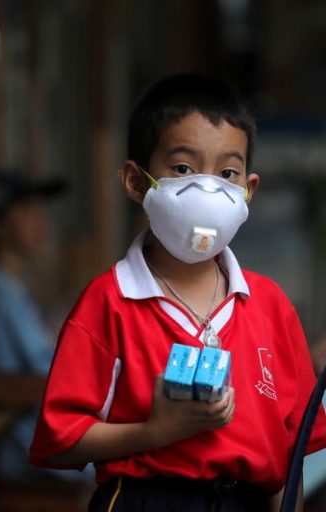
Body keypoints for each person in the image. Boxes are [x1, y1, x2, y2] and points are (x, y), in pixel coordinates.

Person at [28, 73, 326, 511]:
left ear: (248, 190)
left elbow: (290, 454)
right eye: (183, 168)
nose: (207, 188)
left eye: (227, 173)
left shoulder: (270, 306)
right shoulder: (108, 302)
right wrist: (154, 433)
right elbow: (60, 441)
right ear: (136, 181)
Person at [0, 170, 94, 486]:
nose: (40, 220)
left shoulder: (7, 284)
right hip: (23, 437)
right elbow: (45, 364)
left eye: (41, 210)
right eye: (26, 210)